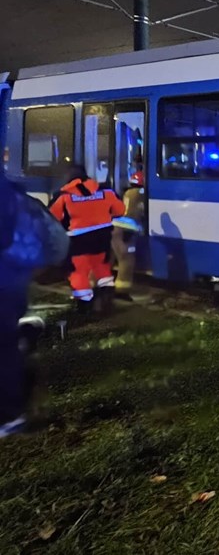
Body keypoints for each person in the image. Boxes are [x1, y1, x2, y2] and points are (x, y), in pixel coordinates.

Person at [0, 174, 68, 437]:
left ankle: (10, 413)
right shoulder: (20, 199)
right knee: (5, 345)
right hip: (12, 286)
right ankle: (11, 413)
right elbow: (58, 244)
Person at [49, 165, 125, 316]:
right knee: (102, 267)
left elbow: (52, 218)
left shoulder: (64, 196)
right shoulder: (106, 192)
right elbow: (120, 210)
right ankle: (106, 298)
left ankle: (84, 306)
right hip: (102, 238)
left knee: (78, 272)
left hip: (78, 241)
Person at [111, 169, 146, 301]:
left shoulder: (127, 193)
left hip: (115, 227)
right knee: (126, 261)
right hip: (127, 230)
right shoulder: (140, 193)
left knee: (109, 259)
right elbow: (141, 211)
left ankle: (98, 287)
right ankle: (121, 291)